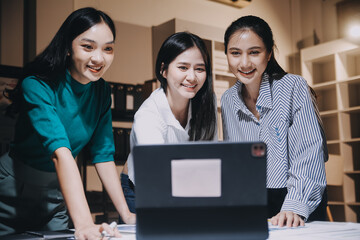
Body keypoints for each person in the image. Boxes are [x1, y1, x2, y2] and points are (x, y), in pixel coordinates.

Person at [0, 7, 135, 239]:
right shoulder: (37, 85)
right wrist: (83, 222)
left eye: (108, 49)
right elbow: (60, 152)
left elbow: (103, 154)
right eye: (88, 46)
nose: (99, 58)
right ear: (68, 47)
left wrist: (127, 214)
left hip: (56, 192)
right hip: (12, 189)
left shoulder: (102, 91)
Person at [221, 15, 328, 227]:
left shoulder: (293, 87)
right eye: (235, 53)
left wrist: (295, 205)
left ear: (269, 54)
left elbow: (308, 153)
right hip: (255, 201)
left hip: (297, 197)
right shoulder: (227, 100)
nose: (244, 63)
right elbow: (236, 161)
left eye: (254, 52)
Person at [119, 32, 218, 219]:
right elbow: (158, 177)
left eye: (200, 69)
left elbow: (210, 157)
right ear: (163, 70)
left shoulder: (207, 101)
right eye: (183, 67)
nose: (192, 77)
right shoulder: (149, 115)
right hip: (142, 186)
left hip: (187, 185)